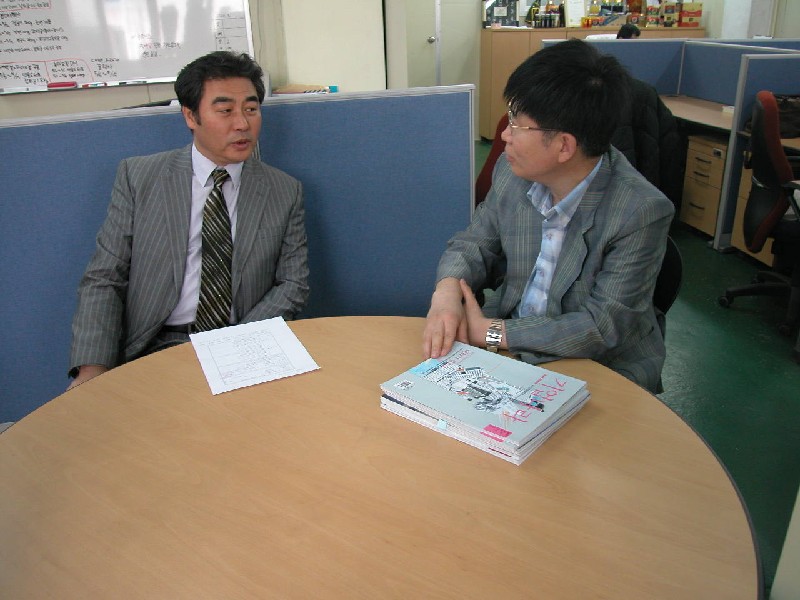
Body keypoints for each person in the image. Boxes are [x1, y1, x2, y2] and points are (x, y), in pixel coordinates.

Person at [422, 39, 674, 393]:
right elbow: (474, 242)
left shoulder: (640, 211)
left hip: (598, 364)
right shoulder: (512, 173)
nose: (505, 135)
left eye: (517, 124)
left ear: (564, 146)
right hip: (509, 346)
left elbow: (601, 327)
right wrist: (447, 292)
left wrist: (490, 332)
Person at [68, 51, 309, 388]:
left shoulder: (284, 190)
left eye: (251, 109)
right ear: (190, 116)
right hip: (159, 345)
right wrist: (92, 368)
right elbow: (105, 278)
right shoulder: (139, 178)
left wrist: (233, 345)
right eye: (225, 110)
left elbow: (293, 283)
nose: (242, 123)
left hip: (244, 344)